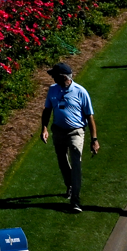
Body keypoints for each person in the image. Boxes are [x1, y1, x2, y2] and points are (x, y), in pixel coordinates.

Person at [44, 61, 100, 211]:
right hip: (58, 131)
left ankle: (75, 200)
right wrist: (44, 128)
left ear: (63, 77)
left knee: (76, 165)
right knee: (62, 161)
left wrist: (94, 140)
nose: (52, 79)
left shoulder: (80, 92)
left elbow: (90, 117)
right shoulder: (53, 90)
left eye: (54, 76)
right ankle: (69, 185)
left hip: (76, 132)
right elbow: (47, 110)